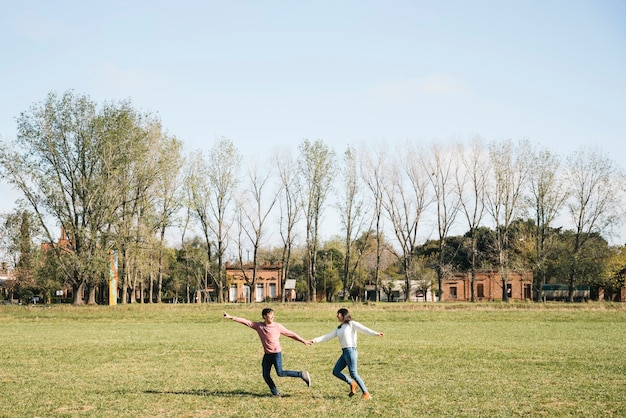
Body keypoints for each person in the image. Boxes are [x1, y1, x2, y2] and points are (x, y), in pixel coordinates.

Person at [223, 308, 312, 397]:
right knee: (266, 375)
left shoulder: (277, 326)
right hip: (267, 355)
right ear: (264, 316)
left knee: (280, 372)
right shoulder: (259, 326)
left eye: (273, 314)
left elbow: (291, 334)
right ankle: (275, 393)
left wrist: (303, 341)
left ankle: (301, 374)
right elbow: (246, 322)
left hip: (276, 354)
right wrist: (231, 317)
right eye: (270, 314)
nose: (273, 316)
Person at [311, 308, 383, 400]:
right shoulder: (339, 328)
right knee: (336, 371)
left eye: (339, 314)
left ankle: (366, 393)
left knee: (353, 373)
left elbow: (364, 329)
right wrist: (314, 340)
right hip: (344, 352)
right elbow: (327, 336)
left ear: (344, 315)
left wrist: (375, 333)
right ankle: (352, 383)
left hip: (351, 351)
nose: (337, 316)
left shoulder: (351, 324)